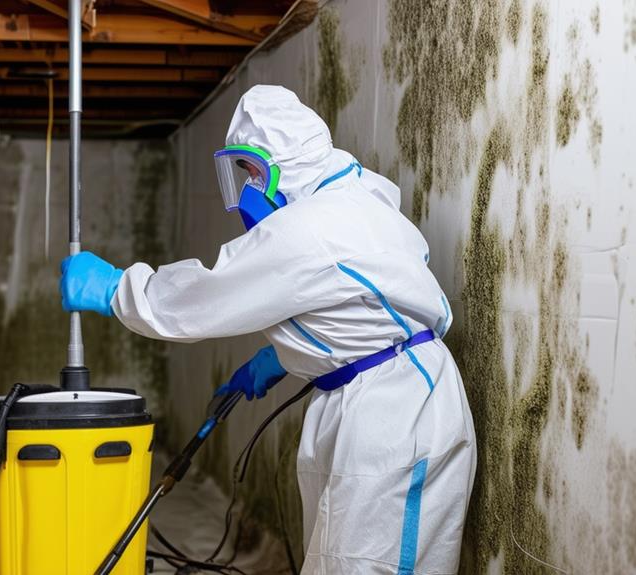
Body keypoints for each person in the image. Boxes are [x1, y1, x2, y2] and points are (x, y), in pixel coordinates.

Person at [60, 85, 476, 575]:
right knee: (337, 561)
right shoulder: (353, 197)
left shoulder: (313, 225)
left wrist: (114, 289)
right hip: (373, 397)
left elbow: (205, 296)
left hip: (394, 417)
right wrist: (285, 357)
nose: (248, 189)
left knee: (367, 565)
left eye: (251, 171)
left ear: (285, 162)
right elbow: (367, 304)